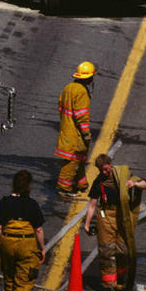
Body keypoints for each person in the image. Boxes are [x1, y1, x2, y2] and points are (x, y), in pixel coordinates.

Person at [84, 153, 146, 291]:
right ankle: (109, 285)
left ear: (110, 165)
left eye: (106, 169)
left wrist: (134, 184)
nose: (105, 173)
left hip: (123, 215)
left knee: (123, 250)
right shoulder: (98, 182)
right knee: (107, 251)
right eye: (102, 170)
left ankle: (120, 280)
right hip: (106, 215)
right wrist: (87, 224)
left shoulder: (123, 175)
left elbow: (144, 184)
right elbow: (92, 205)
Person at [0, 170, 45, 291]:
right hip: (26, 244)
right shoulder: (32, 204)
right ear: (28, 186)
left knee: (9, 276)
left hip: (7, 242)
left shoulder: (4, 203)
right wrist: (42, 249)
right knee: (25, 280)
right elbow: (39, 230)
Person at [55, 61, 96, 197]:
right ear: (89, 78)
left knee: (79, 159)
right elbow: (81, 115)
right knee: (72, 160)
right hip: (75, 133)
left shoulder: (68, 88)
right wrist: (85, 133)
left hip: (66, 128)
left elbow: (61, 107)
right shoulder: (82, 92)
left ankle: (81, 184)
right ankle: (64, 188)